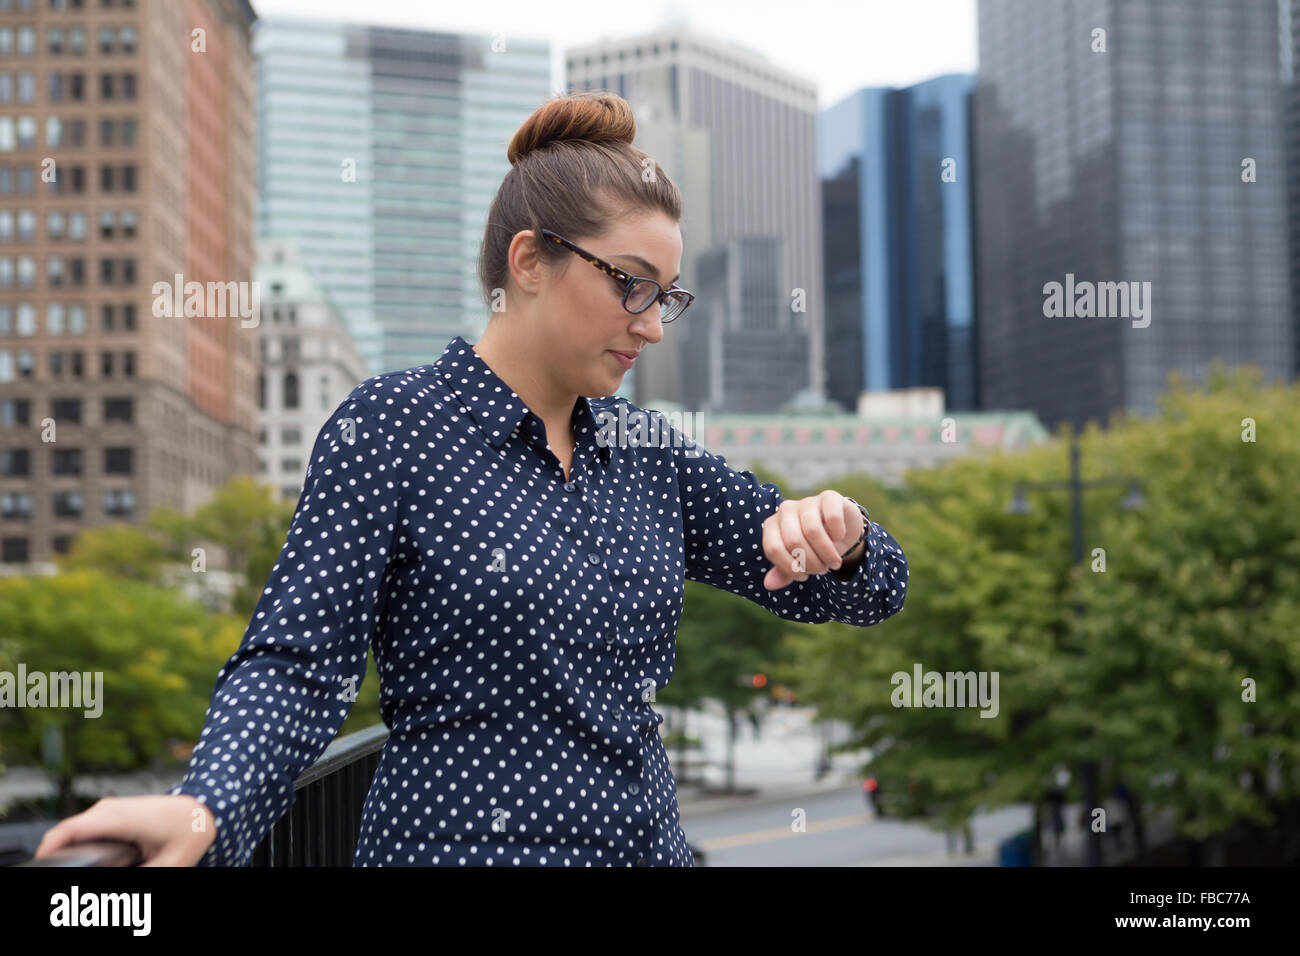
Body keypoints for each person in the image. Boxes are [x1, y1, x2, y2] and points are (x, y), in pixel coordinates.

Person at [34, 91, 910, 867]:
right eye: (633, 287)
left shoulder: (651, 451)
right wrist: (208, 804)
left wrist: (843, 532)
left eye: (668, 296)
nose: (653, 327)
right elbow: (298, 665)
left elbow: (859, 592)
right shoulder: (394, 427)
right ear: (529, 262)